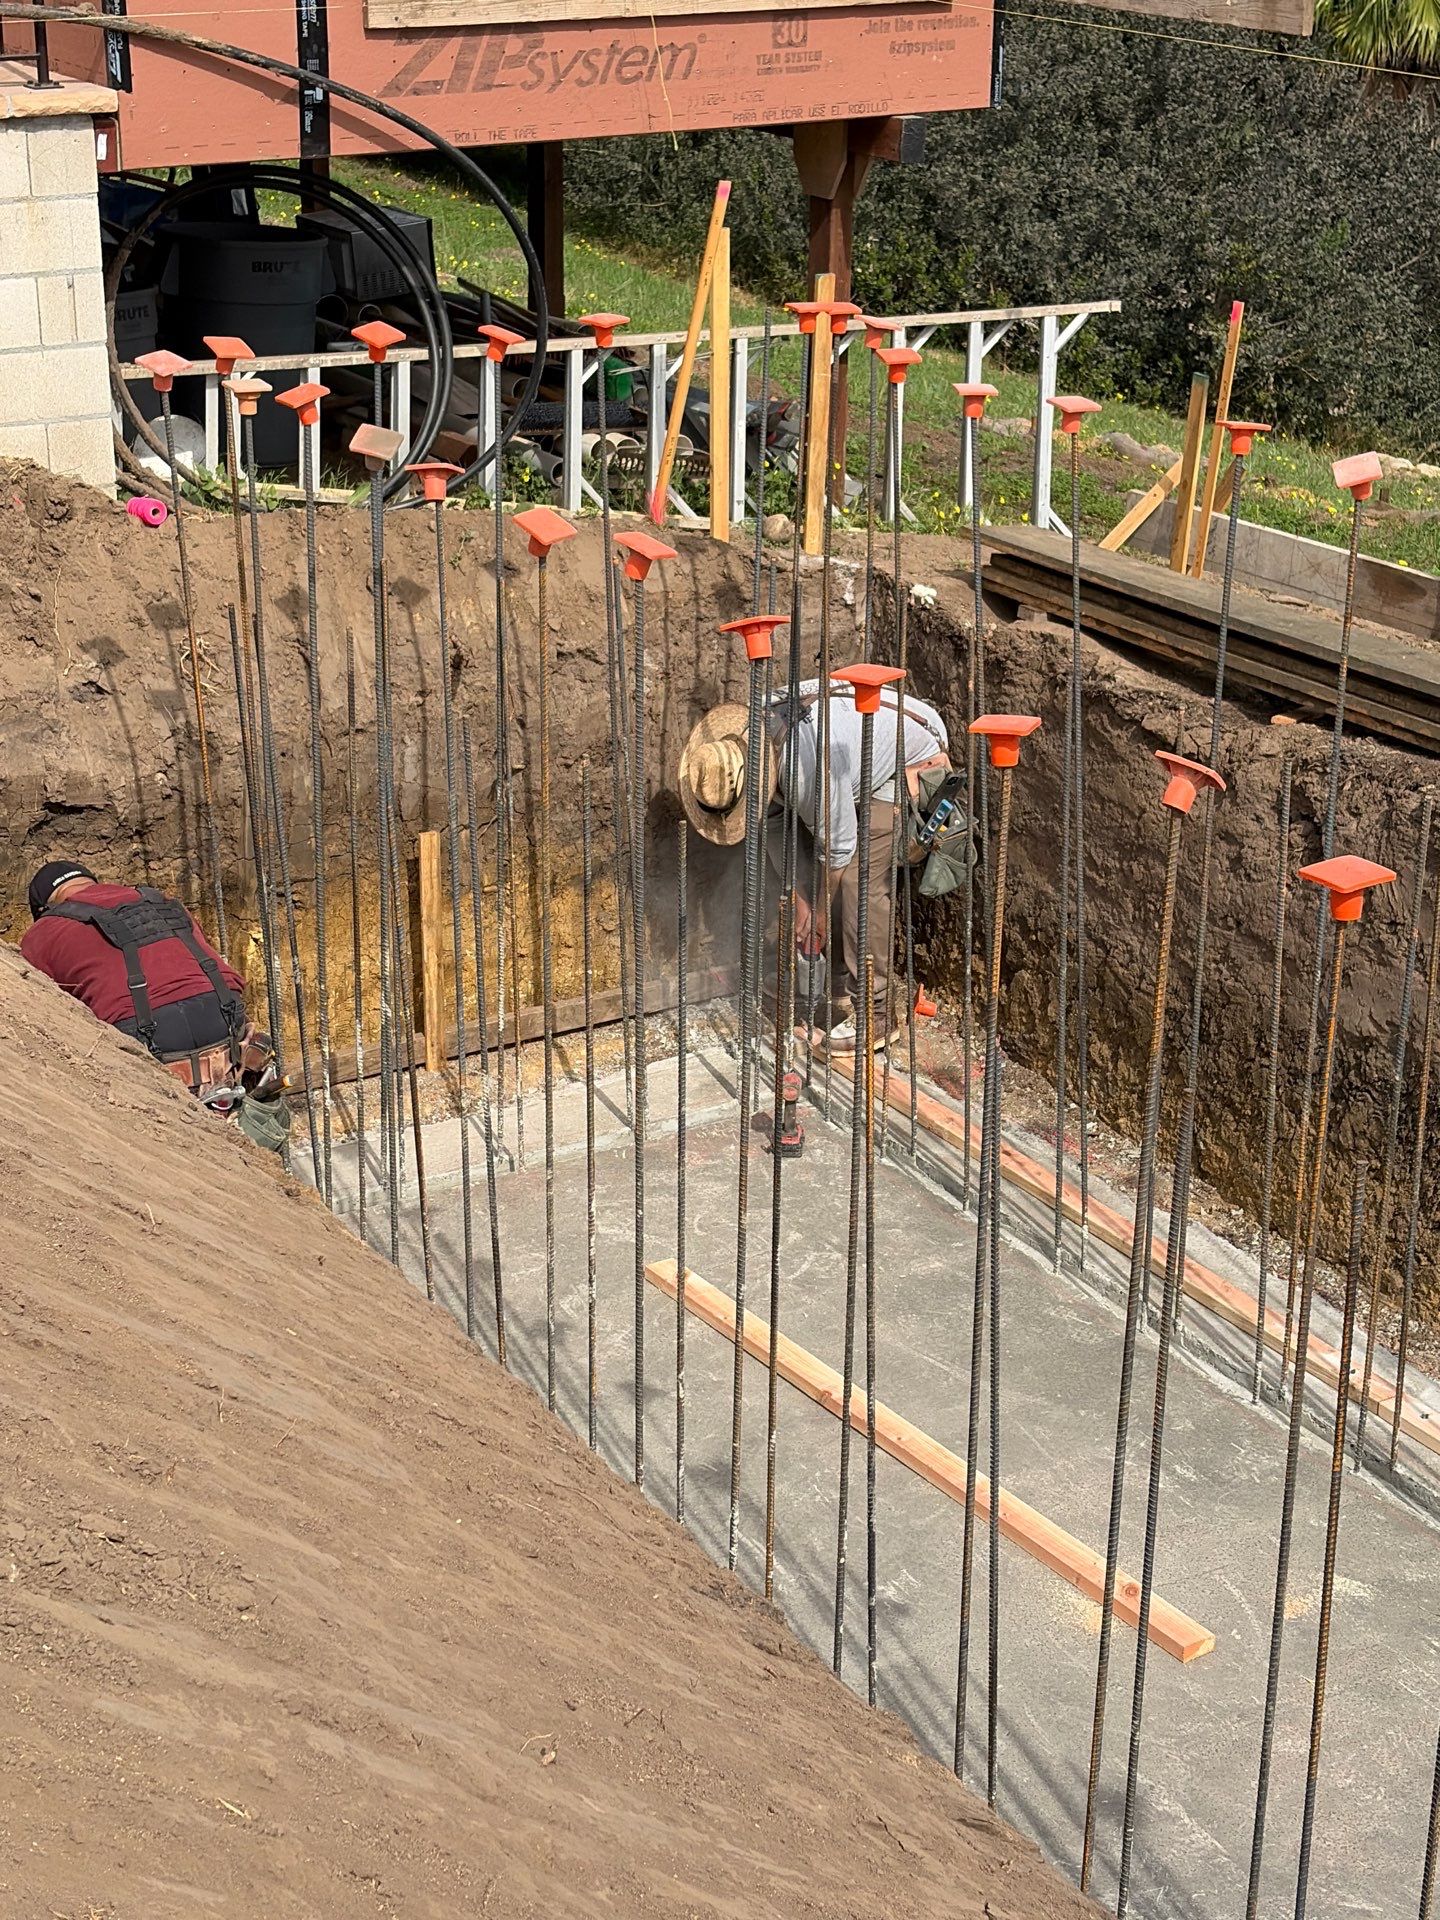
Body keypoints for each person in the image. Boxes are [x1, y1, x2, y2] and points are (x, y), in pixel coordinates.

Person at [678, 676, 957, 1052]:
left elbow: (840, 848)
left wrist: (821, 914)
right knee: (821, 873)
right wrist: (801, 898)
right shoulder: (749, 742)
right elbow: (775, 825)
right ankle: (838, 985)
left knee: (860, 879)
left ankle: (875, 1012)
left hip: (912, 750)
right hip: (853, 748)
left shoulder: (804, 768)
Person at [20, 861, 276, 1116]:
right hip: (226, 1017)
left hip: (148, 1037)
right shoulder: (161, 900)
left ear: (43, 909)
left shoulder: (41, 934)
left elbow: (45, 1010)